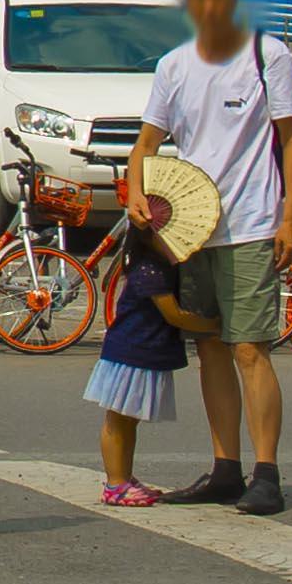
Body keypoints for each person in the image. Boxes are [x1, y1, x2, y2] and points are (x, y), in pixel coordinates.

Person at [129, 0, 292, 515]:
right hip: (191, 229)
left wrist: (291, 215)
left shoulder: (266, 55)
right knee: (210, 348)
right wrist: (135, 194)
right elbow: (146, 145)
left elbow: (291, 140)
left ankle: (267, 473)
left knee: (250, 347)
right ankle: (226, 466)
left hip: (251, 223)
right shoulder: (174, 65)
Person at [79, 199, 196, 507]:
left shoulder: (161, 265)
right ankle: (115, 483)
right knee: (118, 420)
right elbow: (175, 316)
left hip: (142, 351)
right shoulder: (150, 270)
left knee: (128, 420)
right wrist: (211, 322)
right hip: (131, 352)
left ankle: (123, 477)